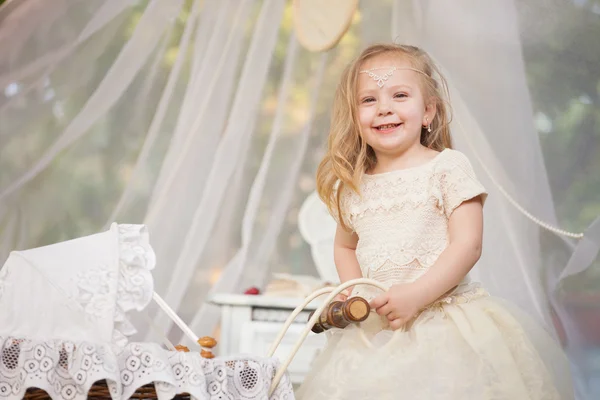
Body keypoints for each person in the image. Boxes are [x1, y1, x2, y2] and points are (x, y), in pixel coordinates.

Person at [295, 43, 574, 399]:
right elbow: (344, 245)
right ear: (354, 117)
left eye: (399, 95)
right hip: (378, 328)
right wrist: (356, 293)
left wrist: (415, 295)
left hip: (444, 320)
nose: (384, 109)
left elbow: (468, 244)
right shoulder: (354, 185)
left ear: (428, 111)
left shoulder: (447, 167)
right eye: (369, 100)